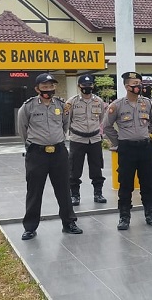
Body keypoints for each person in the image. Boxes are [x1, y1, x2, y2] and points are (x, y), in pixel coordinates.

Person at [17, 73, 83, 240]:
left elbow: (65, 125)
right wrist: (33, 145)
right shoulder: (28, 106)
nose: (48, 89)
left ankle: (69, 223)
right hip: (37, 154)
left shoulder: (62, 105)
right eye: (45, 87)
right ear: (37, 89)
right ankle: (30, 227)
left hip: (58, 153)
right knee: (34, 191)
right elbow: (23, 128)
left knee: (63, 190)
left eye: (51, 86)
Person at [103, 71, 152, 230]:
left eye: (139, 83)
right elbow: (107, 126)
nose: (138, 86)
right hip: (127, 149)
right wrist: (119, 141)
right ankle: (124, 217)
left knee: (148, 183)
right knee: (125, 184)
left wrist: (143, 133)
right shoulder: (117, 105)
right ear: (126, 86)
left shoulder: (148, 104)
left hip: (145, 147)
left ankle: (150, 214)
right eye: (134, 84)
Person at [66, 74, 107, 206]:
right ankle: (75, 195)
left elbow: (101, 118)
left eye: (89, 85)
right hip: (77, 139)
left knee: (96, 168)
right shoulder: (72, 102)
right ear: (79, 86)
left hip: (94, 139)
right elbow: (67, 120)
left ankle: (98, 193)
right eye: (84, 85)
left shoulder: (98, 101)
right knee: (74, 169)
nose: (87, 87)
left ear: (93, 86)